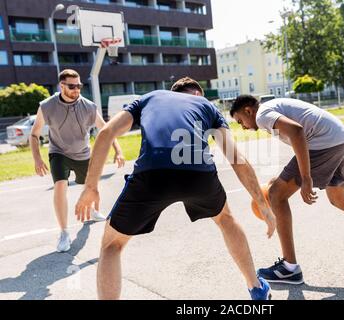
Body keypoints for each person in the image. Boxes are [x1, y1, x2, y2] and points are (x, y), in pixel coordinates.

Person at [75, 77, 276, 300]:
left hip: (152, 172)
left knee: (111, 245)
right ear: (198, 94)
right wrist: (263, 206)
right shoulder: (207, 106)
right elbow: (236, 158)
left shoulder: (149, 97)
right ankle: (256, 288)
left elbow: (105, 134)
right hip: (198, 173)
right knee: (225, 219)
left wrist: (91, 187)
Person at [230, 95, 344, 285]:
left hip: (323, 143)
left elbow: (297, 132)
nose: (243, 127)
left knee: (276, 196)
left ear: (248, 110)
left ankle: (289, 268)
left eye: (240, 121)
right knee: (339, 199)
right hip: (341, 138)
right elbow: (300, 135)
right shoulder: (272, 107)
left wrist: (306, 178)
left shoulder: (263, 115)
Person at [30, 69, 125, 253]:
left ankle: (93, 210)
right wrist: (37, 159)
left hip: (82, 153)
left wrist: (118, 150)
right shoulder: (47, 106)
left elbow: (105, 130)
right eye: (72, 86)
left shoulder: (88, 106)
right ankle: (64, 232)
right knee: (60, 185)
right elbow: (34, 134)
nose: (76, 89)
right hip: (58, 152)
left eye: (79, 85)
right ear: (61, 86)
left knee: (90, 185)